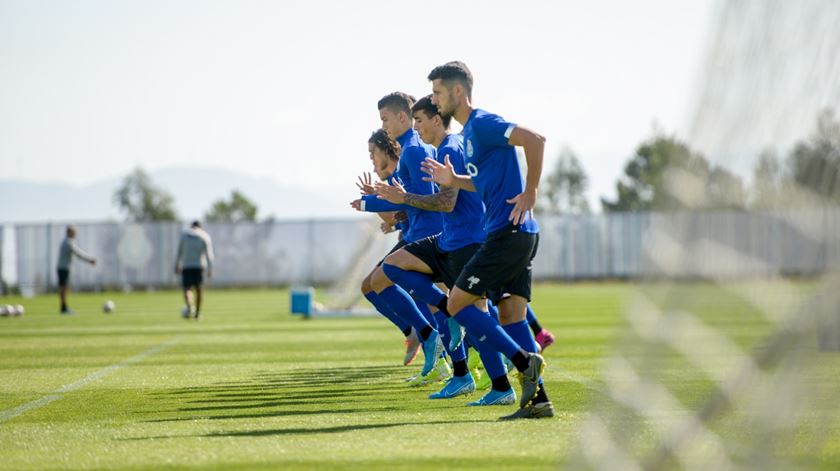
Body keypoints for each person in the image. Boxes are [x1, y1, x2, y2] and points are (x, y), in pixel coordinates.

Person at [421, 61, 554, 419]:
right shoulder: (469, 136)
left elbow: (535, 140)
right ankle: (539, 400)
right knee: (511, 316)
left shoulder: (482, 123)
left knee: (456, 303)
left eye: (437, 92)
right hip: (520, 233)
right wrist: (454, 179)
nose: (434, 100)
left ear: (458, 92)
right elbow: (482, 181)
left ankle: (523, 361)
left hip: (508, 233)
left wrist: (531, 191)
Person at [352, 92, 446, 381]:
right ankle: (432, 344)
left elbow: (422, 198)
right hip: (417, 232)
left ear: (402, 117)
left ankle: (439, 344)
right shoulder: (410, 149)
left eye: (385, 119)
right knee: (377, 284)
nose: (383, 126)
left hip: (426, 235)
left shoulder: (414, 150)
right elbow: (407, 201)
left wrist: (371, 204)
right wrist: (380, 204)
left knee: (449, 302)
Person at [352, 129, 425, 367]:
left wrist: (372, 203)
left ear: (386, 150)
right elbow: (398, 216)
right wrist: (389, 218)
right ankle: (416, 334)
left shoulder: (401, 175)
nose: (371, 160)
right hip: (412, 238)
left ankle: (443, 353)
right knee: (371, 286)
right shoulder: (393, 180)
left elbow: (406, 210)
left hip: (423, 240)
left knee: (446, 302)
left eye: (373, 152)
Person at [175, 220, 214, 320]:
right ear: (200, 226)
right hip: (199, 266)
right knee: (199, 289)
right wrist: (210, 268)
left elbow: (179, 251)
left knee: (187, 288)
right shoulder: (204, 235)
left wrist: (177, 264)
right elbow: (209, 254)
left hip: (186, 266)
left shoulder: (184, 235)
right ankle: (197, 313)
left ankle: (189, 307)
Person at [56, 225, 96, 314]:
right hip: (64, 268)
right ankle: (64, 307)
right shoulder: (68, 242)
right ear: (70, 232)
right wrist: (90, 259)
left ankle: (63, 307)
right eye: (74, 232)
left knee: (63, 287)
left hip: (62, 267)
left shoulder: (65, 241)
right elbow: (78, 253)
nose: (75, 234)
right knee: (64, 288)